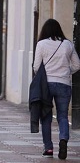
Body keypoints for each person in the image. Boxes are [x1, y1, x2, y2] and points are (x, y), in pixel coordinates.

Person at [33, 19, 80, 159]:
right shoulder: (68, 44)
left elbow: (36, 67)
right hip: (64, 84)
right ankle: (63, 140)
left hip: (46, 85)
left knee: (46, 117)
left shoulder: (41, 44)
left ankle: (48, 148)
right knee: (63, 116)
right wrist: (66, 72)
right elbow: (77, 65)